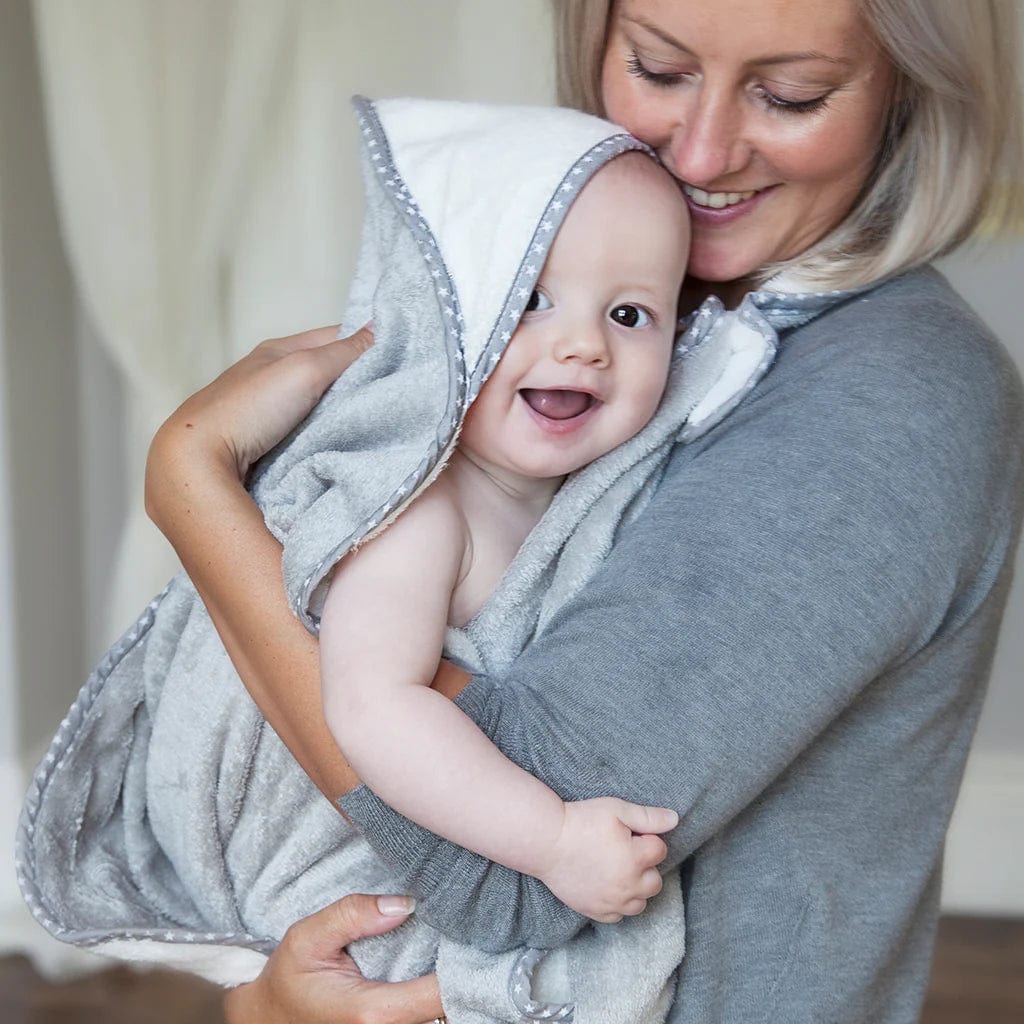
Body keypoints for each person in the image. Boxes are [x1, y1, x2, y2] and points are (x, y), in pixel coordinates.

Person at [144, 1, 1024, 1022]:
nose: (701, 149)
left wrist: (195, 487)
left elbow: (512, 865)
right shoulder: (638, 305)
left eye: (789, 94)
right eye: (657, 68)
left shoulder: (894, 393)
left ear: (907, 92)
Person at [319, 150, 687, 922]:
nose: (585, 345)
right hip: (373, 872)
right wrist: (552, 839)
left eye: (629, 314)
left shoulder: (601, 498)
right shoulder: (421, 511)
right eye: (532, 299)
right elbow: (370, 705)